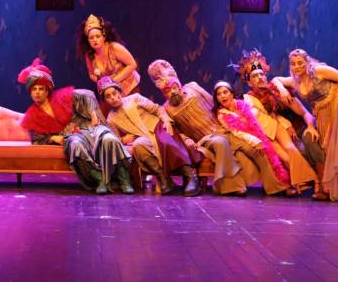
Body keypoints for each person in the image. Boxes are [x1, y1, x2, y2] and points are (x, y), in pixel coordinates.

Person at [272, 49, 338, 201]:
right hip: (323, 116)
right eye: (293, 64)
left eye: (300, 63)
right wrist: (282, 89)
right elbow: (276, 79)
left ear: (307, 62)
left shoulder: (319, 71)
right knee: (330, 150)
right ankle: (337, 188)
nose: (297, 66)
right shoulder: (295, 81)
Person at [18, 58, 133, 194]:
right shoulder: (33, 115)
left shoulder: (61, 97)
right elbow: (36, 138)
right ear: (30, 92)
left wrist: (93, 113)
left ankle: (124, 179)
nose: (37, 92)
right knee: (75, 144)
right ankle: (99, 179)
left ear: (47, 91)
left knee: (109, 138)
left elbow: (87, 95)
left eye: (41, 89)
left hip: (89, 127)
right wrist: (53, 138)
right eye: (34, 89)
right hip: (72, 135)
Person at [147, 59, 248, 196]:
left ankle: (272, 185)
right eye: (167, 91)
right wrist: (186, 139)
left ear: (178, 83)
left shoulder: (192, 87)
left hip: (222, 128)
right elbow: (176, 133)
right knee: (220, 141)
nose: (172, 92)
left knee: (248, 146)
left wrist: (230, 117)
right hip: (204, 140)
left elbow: (213, 104)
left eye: (173, 87)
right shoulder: (166, 109)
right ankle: (231, 186)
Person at [99, 76, 202, 196]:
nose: (113, 97)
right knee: (139, 146)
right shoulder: (111, 119)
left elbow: (157, 109)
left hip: (157, 127)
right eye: (108, 96)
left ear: (119, 92)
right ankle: (164, 179)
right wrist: (123, 139)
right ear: (105, 100)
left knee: (166, 141)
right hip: (143, 137)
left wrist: (166, 120)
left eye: (114, 93)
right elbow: (115, 140)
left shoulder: (134, 98)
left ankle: (190, 176)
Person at [234, 50, 319, 194]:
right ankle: (301, 182)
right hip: (263, 134)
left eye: (261, 74)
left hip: (282, 130)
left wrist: (308, 126)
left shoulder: (279, 92)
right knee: (284, 157)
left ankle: (313, 180)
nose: (260, 78)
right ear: (249, 82)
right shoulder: (247, 100)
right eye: (255, 76)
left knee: (291, 150)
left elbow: (304, 113)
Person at [77, 14, 140, 115]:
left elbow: (132, 64)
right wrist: (101, 81)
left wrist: (113, 81)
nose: (95, 40)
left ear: (104, 36)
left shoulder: (114, 48)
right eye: (91, 38)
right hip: (109, 91)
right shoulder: (89, 55)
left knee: (132, 115)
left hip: (128, 88)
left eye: (98, 36)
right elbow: (91, 74)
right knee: (107, 117)